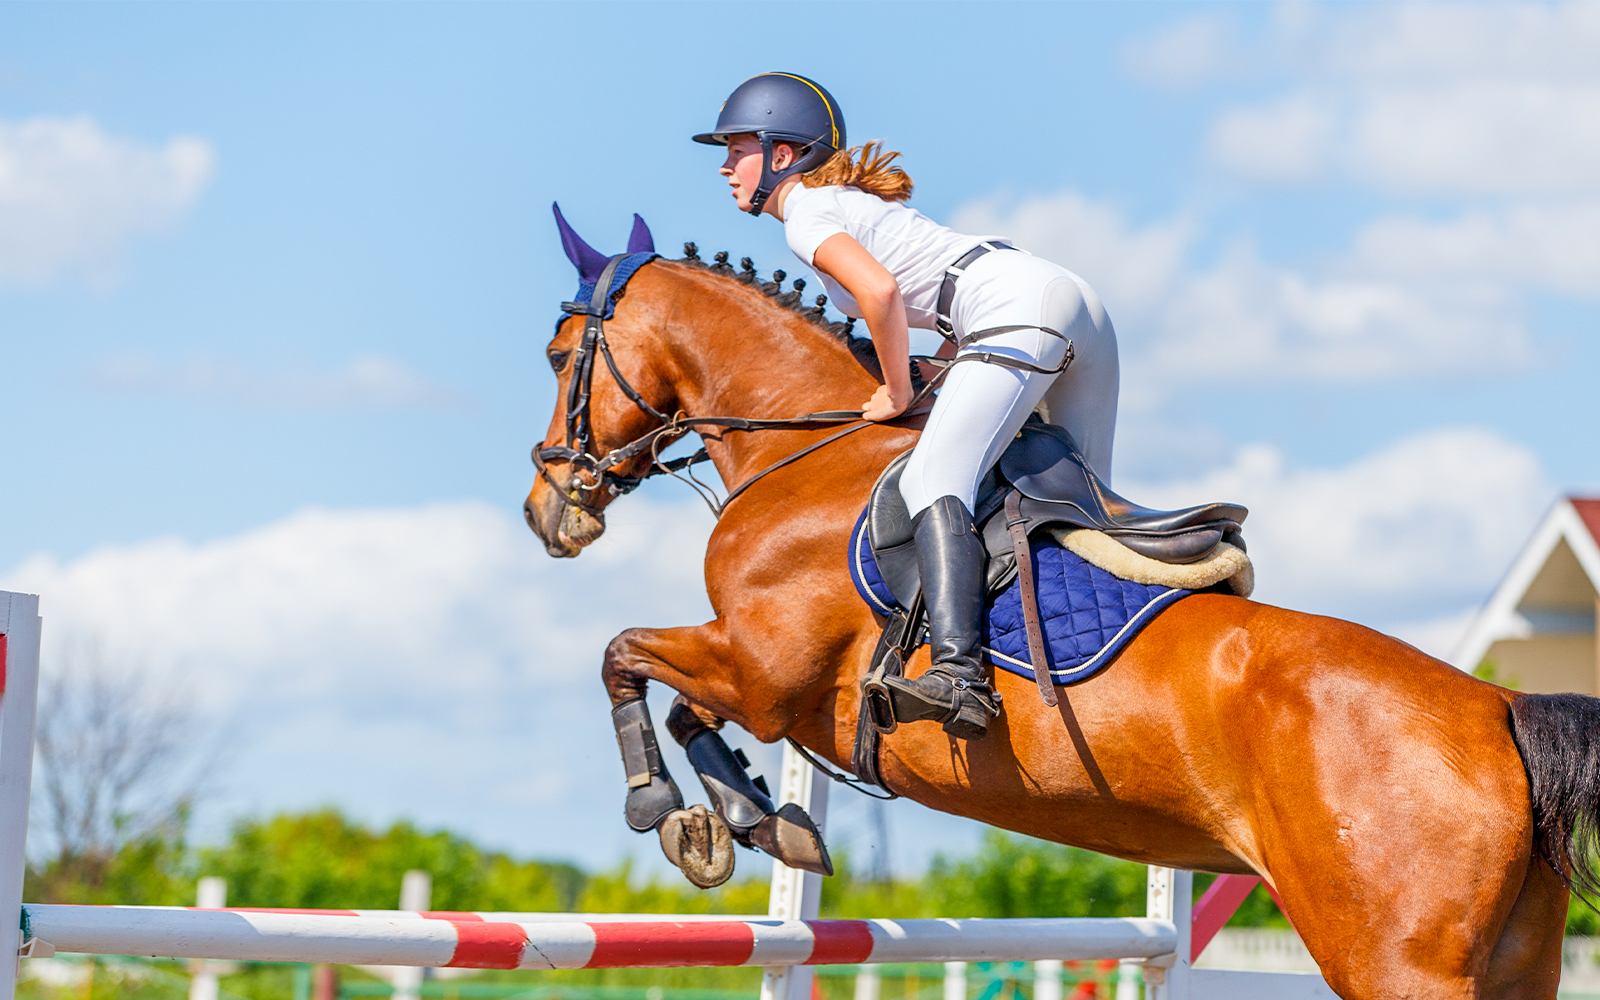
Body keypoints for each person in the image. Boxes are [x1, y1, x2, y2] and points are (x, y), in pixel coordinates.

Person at [693, 73, 1119, 741]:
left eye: (737, 150)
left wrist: (897, 391)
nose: (725, 166)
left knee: (931, 479)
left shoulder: (806, 213)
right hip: (1071, 304)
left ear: (783, 154)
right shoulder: (844, 203)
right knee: (1086, 506)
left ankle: (960, 676)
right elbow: (950, 286)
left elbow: (881, 294)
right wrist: (939, 366)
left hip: (1014, 311)